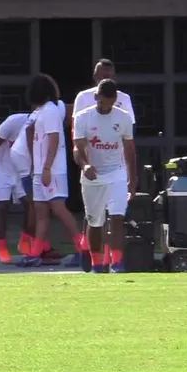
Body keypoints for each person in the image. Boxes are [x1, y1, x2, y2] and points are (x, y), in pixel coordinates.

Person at [71, 59, 135, 267]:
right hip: (93, 175)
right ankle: (97, 263)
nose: (104, 106)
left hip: (116, 172)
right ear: (95, 97)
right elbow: (77, 147)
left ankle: (117, 262)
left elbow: (129, 148)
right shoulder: (83, 117)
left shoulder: (123, 117)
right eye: (100, 102)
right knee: (95, 222)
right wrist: (85, 165)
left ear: (115, 100)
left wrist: (132, 179)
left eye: (109, 103)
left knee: (117, 217)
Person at [19, 74, 86, 267]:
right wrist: (36, 169)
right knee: (41, 212)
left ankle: (83, 249)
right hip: (40, 171)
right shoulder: (40, 111)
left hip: (52, 170)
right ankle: (35, 253)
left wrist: (47, 167)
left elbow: (54, 139)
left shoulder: (50, 111)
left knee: (59, 209)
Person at [0, 111, 33, 264]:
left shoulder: (46, 123)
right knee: (2, 206)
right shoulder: (14, 121)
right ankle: (2, 248)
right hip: (2, 168)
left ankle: (25, 240)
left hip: (23, 169)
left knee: (31, 206)